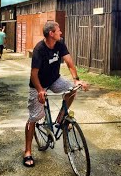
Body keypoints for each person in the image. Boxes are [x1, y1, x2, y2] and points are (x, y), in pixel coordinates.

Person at [24, 21, 89, 168]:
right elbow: (33, 74)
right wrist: (40, 89)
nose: (61, 32)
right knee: (34, 117)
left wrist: (76, 80)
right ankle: (27, 151)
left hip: (54, 79)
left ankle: (61, 118)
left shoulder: (60, 44)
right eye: (58, 30)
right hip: (38, 83)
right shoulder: (39, 50)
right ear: (51, 34)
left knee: (72, 89)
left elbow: (69, 63)